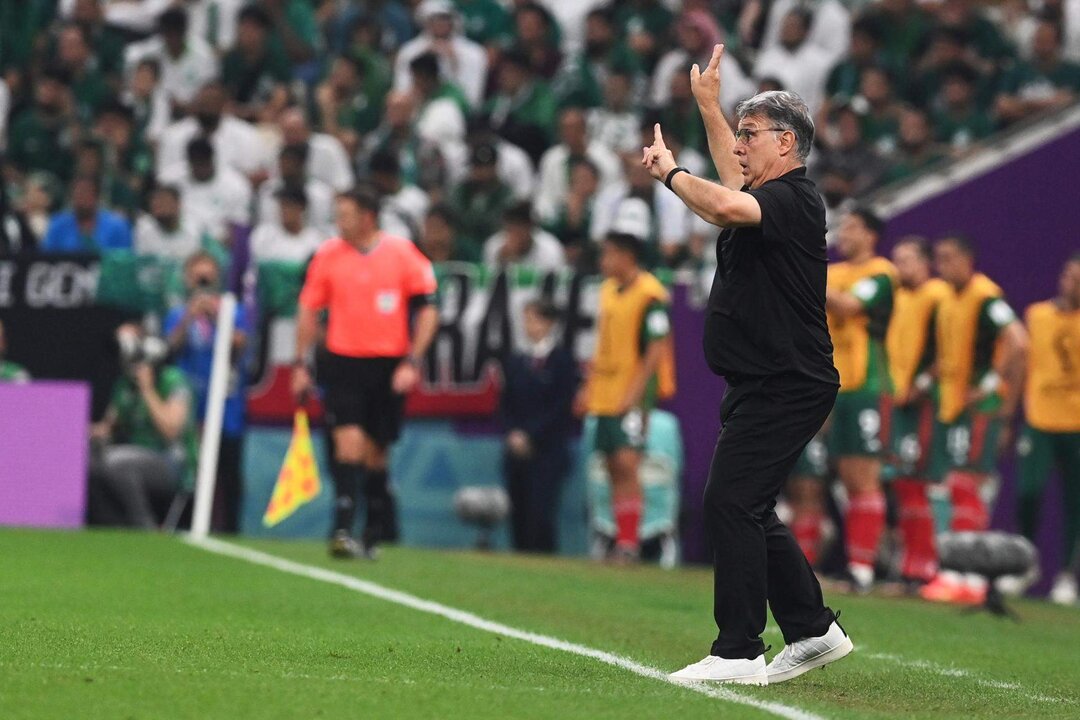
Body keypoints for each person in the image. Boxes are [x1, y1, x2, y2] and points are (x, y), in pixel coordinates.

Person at [643, 45, 850, 684]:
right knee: (749, 505)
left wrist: (672, 175)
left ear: (787, 143)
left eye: (750, 134)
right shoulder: (767, 194)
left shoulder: (795, 199)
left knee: (730, 501)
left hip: (788, 382)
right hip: (763, 379)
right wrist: (709, 106)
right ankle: (813, 631)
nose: (739, 145)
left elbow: (724, 205)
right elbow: (732, 190)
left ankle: (737, 651)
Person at [293, 189, 439, 559]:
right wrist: (300, 363)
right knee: (348, 443)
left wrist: (412, 361)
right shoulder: (328, 255)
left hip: (388, 365)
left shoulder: (402, 254)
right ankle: (341, 528)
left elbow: (428, 310)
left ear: (368, 216)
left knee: (376, 453)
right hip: (344, 362)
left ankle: (374, 530)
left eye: (345, 214)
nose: (339, 222)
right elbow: (309, 310)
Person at [920, 234, 1028, 604]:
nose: (941, 265)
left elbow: (1018, 340)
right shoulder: (947, 298)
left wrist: (992, 382)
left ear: (967, 260)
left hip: (979, 408)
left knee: (966, 486)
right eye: (938, 258)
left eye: (948, 258)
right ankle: (957, 573)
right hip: (953, 406)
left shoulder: (986, 297)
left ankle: (971, 578)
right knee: (949, 487)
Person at [576, 230, 674, 564]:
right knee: (611, 465)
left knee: (627, 463)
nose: (603, 261)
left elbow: (656, 350)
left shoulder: (650, 295)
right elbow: (602, 344)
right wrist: (588, 387)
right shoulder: (606, 292)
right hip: (605, 392)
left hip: (632, 394)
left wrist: (633, 396)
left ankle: (631, 544)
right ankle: (622, 540)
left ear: (626, 256)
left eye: (608, 254)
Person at [824, 208, 898, 592]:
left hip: (868, 385)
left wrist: (802, 272)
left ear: (870, 235)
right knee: (847, 479)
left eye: (851, 227)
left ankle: (864, 567)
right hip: (833, 384)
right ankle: (858, 563)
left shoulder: (882, 273)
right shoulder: (834, 274)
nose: (844, 233)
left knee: (865, 477)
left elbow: (850, 306)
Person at [163, 252, 251, 533]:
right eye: (197, 276)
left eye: (207, 276)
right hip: (190, 406)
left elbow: (239, 346)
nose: (202, 281)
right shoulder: (178, 314)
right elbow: (169, 349)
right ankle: (188, 527)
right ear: (187, 279)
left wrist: (214, 316)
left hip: (227, 408)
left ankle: (230, 531)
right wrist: (190, 315)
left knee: (228, 473)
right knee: (192, 472)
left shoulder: (232, 311)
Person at [885, 236, 951, 589]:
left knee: (922, 482)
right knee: (905, 482)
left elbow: (948, 351)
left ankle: (927, 567)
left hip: (925, 403)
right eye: (896, 260)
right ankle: (912, 564)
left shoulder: (938, 296)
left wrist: (921, 384)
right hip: (900, 401)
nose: (899, 268)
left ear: (926, 262)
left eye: (907, 260)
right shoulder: (901, 297)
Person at [88, 325, 197, 529]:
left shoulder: (172, 380)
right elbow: (108, 428)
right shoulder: (125, 385)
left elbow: (171, 430)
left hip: (170, 460)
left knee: (116, 463)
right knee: (91, 463)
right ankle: (112, 527)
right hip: (133, 456)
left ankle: (144, 527)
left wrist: (147, 389)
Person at [1017, 254, 1080, 605]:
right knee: (1028, 492)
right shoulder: (1038, 315)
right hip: (1040, 418)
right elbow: (1027, 364)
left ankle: (1068, 575)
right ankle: (1025, 564)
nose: (1072, 283)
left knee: (1075, 502)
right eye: (1069, 275)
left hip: (1077, 423)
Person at [501, 299, 579, 553]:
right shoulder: (516, 361)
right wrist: (513, 434)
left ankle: (544, 560)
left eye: (533, 319)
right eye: (525, 319)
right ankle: (519, 560)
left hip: (547, 450)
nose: (528, 325)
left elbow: (560, 407)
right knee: (519, 511)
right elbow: (505, 403)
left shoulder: (562, 362)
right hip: (516, 449)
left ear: (549, 323)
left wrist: (531, 435)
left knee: (541, 512)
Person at [42, 175, 132, 255]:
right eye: (79, 194)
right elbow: (45, 258)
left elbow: (125, 261)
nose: (82, 200)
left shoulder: (117, 226)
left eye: (87, 194)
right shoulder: (58, 225)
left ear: (97, 197)